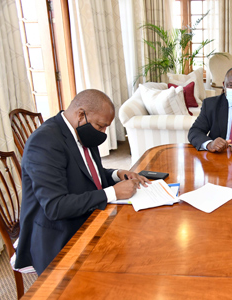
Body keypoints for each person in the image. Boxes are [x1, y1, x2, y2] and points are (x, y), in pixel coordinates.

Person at [14, 89, 150, 275]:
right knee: (124, 262)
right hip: (58, 234)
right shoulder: (45, 142)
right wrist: (113, 193)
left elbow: (86, 171)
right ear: (80, 114)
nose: (103, 133)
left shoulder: (82, 131)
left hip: (85, 214)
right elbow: (55, 207)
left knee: (140, 240)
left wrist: (117, 174)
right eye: (101, 126)